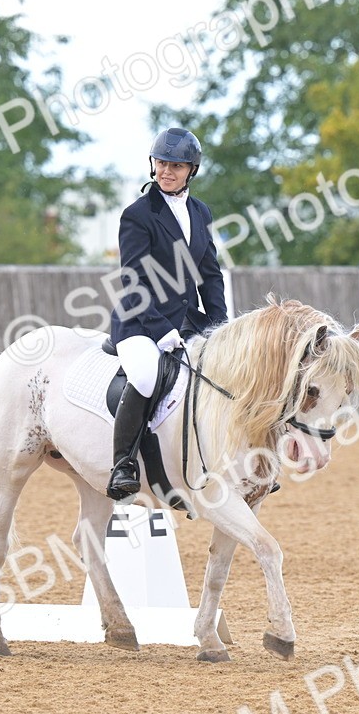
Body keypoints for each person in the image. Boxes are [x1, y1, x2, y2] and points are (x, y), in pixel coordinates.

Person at [106, 127, 229, 500]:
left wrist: (223, 326)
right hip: (139, 321)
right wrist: (161, 330)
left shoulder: (200, 212)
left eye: (175, 166)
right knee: (145, 376)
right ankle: (123, 464)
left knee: (232, 367)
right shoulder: (138, 215)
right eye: (161, 163)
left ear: (192, 169)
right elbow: (135, 280)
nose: (166, 172)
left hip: (185, 316)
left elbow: (209, 275)